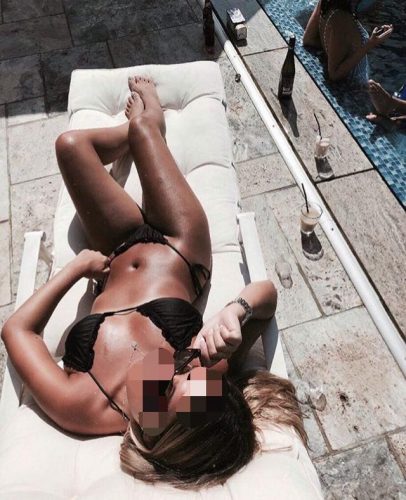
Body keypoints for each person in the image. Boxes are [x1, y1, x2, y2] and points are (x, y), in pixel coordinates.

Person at [1, 77, 305, 489]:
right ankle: (149, 124)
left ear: (158, 435)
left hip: (115, 246)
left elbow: (16, 331)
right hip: (180, 246)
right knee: (145, 127)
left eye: (166, 389)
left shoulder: (82, 405)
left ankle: (138, 132)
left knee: (70, 146)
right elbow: (266, 296)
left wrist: (76, 268)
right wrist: (236, 311)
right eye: (187, 375)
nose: (177, 368)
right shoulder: (200, 376)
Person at [303, 0, 393, 84]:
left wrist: (332, 49)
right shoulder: (341, 19)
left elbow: (308, 39)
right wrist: (371, 43)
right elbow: (334, 74)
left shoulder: (326, 4)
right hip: (355, 84)